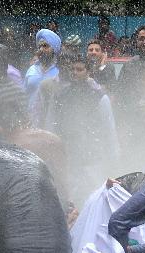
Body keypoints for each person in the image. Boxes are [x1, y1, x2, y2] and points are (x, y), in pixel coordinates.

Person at [44, 54, 118, 201]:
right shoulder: (59, 96)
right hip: (68, 155)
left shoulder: (99, 97)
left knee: (94, 197)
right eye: (73, 69)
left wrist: (113, 155)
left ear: (88, 72)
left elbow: (109, 129)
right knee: (69, 199)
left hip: (93, 156)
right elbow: (50, 126)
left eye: (79, 69)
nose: (75, 73)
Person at [24, 29, 61, 119]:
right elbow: (23, 94)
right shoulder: (31, 69)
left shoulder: (59, 71)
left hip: (51, 120)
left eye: (45, 46)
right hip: (30, 119)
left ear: (54, 49)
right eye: (39, 46)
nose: (41, 49)